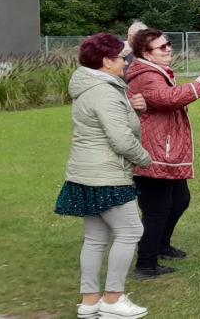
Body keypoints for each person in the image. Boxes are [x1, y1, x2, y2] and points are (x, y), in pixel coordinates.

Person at [55, 33, 153, 319]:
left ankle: (90, 302)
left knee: (95, 238)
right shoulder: (104, 91)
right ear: (106, 61)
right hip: (106, 175)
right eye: (122, 58)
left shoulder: (93, 87)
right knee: (131, 231)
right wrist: (145, 159)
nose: (126, 62)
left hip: (85, 173)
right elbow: (121, 139)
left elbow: (113, 126)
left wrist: (135, 110)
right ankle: (113, 299)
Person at [125, 28, 200, 279]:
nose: (168, 49)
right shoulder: (146, 75)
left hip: (164, 150)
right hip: (152, 152)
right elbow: (167, 98)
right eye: (162, 47)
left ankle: (160, 245)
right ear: (146, 53)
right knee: (157, 208)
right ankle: (146, 264)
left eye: (168, 44)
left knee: (179, 199)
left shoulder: (154, 71)